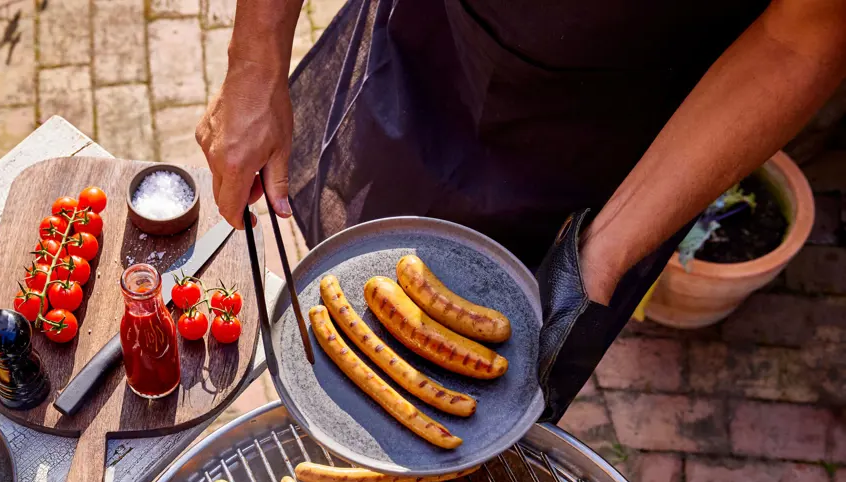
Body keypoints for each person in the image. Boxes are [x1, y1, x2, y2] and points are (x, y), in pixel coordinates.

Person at [196, 0, 846, 419]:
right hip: (432, 42)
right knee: (361, 277)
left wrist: (599, 254)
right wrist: (255, 59)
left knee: (498, 390)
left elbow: (802, 35)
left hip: (613, 129)